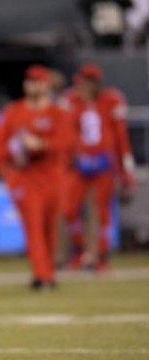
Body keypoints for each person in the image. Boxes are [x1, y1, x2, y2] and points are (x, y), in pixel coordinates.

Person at [0, 65, 71, 290]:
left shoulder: (57, 113)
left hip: (53, 177)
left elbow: (66, 142)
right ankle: (41, 274)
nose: (33, 86)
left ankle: (49, 272)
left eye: (38, 82)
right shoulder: (14, 111)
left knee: (50, 227)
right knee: (34, 227)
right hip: (26, 178)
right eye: (30, 82)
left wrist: (42, 144)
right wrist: (12, 159)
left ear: (46, 85)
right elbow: (1, 145)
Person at [61, 63, 136, 271]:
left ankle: (101, 256)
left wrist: (126, 173)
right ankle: (80, 250)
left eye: (86, 84)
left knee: (103, 212)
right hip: (79, 162)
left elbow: (121, 139)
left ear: (95, 84)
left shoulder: (111, 100)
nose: (82, 88)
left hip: (104, 161)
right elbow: (66, 133)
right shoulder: (70, 101)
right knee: (69, 208)